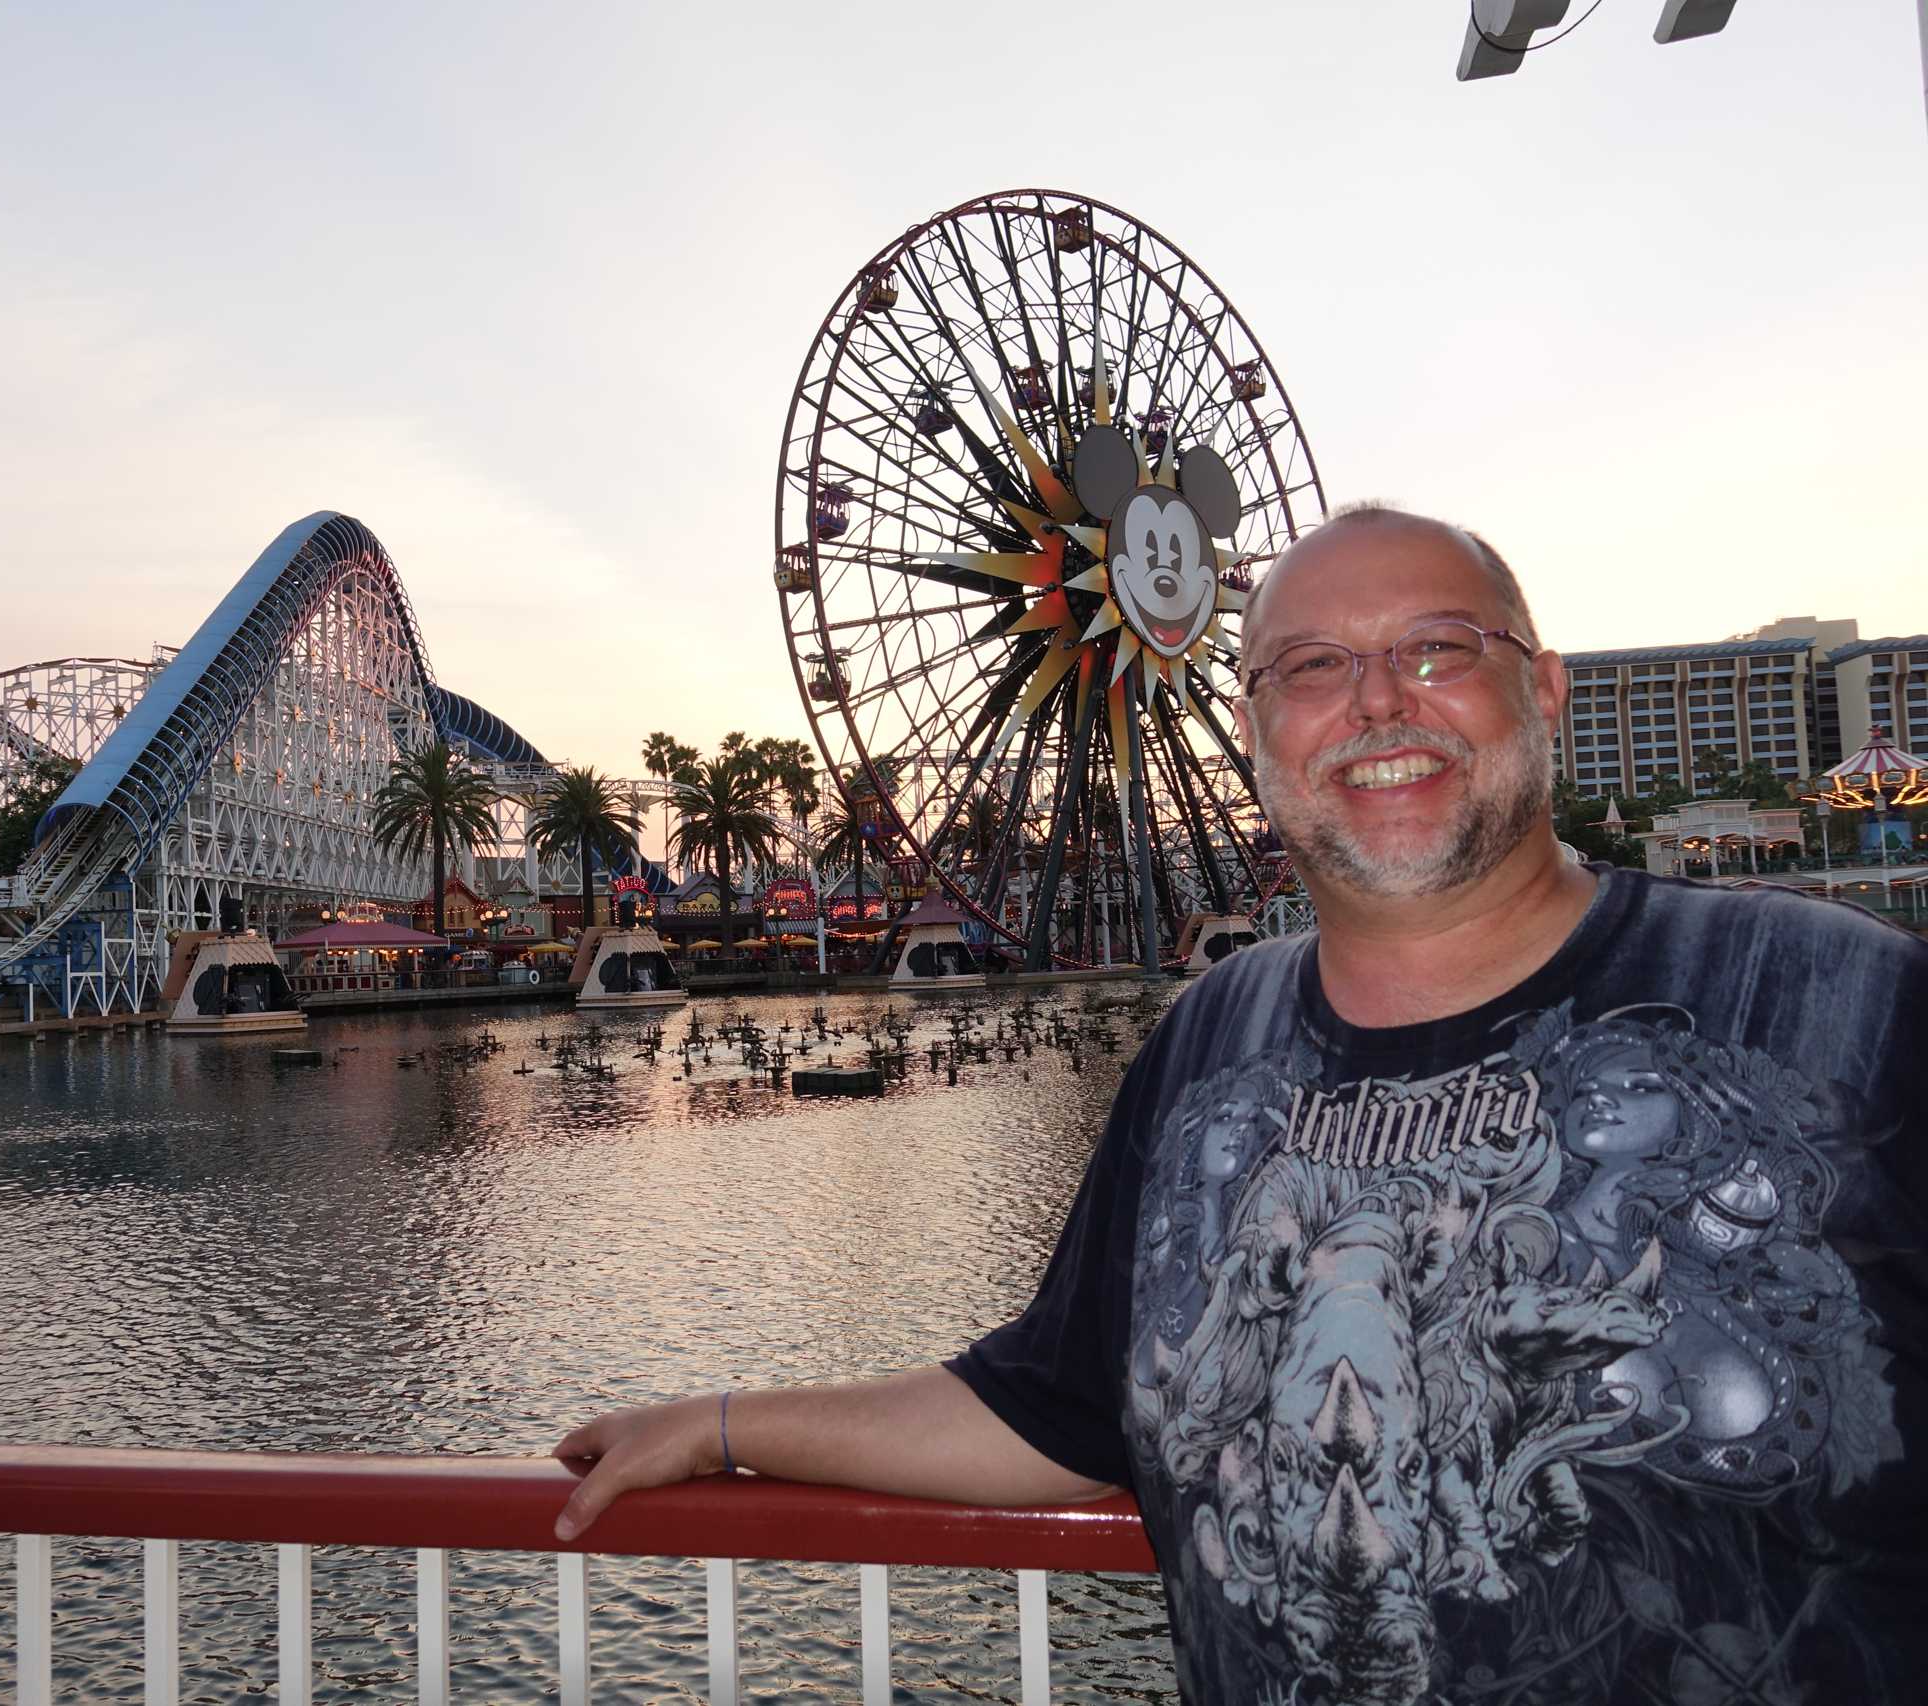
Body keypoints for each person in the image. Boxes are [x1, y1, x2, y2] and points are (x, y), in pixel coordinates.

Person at [553, 506, 1926, 1706]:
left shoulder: (1845, 1003)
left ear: (1546, 688)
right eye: (1313, 666)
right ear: (1257, 731)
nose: (1377, 702)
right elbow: (1056, 1409)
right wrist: (719, 1424)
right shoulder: (1211, 1044)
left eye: (1438, 648)